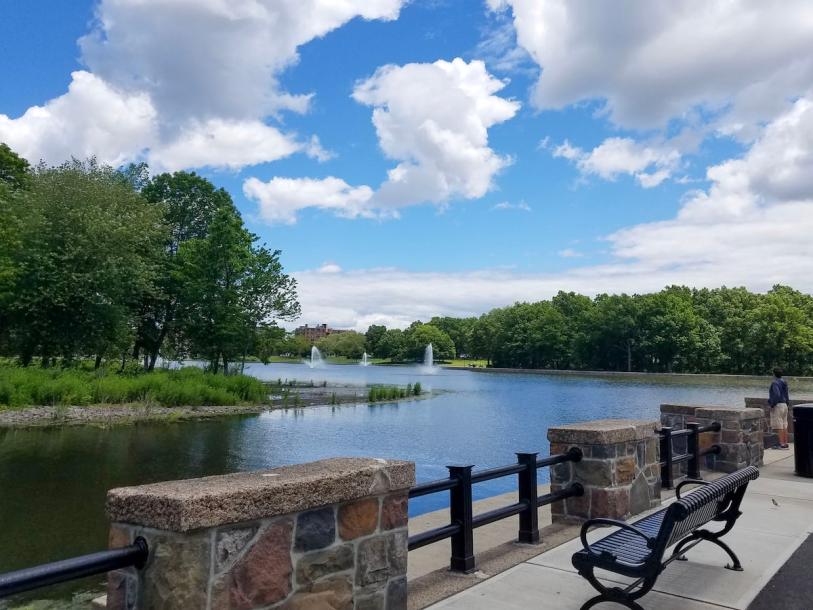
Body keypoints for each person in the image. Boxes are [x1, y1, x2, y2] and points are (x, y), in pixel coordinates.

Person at [768, 368, 790, 449]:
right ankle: (785, 443)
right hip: (785, 405)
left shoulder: (774, 383)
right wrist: (787, 403)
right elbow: (787, 394)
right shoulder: (784, 382)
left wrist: (772, 405)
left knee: (780, 425)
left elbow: (776, 395)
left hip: (778, 405)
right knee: (784, 425)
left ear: (774, 374)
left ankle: (781, 444)